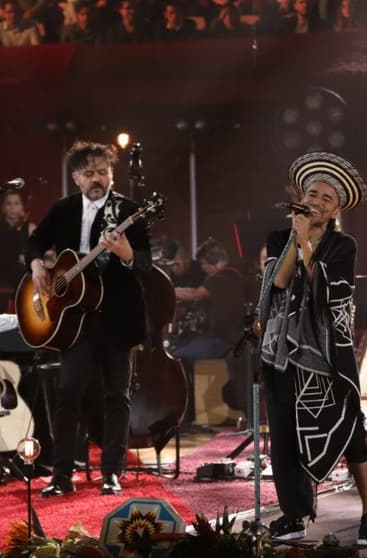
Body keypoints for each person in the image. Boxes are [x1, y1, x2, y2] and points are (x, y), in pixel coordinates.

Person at [256, 151, 367, 546]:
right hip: (282, 350)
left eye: (327, 198)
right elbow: (278, 283)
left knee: (350, 429)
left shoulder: (343, 245)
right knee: (284, 435)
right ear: (301, 197)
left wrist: (308, 247)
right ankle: (295, 514)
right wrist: (297, 238)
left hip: (327, 351)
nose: (318, 202)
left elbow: (327, 292)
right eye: (313, 194)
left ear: (336, 209)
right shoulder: (279, 237)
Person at [28, 140, 151, 497]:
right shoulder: (63, 209)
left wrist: (126, 253)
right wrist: (36, 263)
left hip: (117, 317)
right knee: (68, 393)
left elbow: (146, 263)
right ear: (76, 177)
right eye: (89, 173)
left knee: (117, 397)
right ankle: (61, 475)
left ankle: (112, 472)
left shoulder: (128, 210)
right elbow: (35, 241)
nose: (96, 179)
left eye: (103, 172)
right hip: (74, 321)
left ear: (111, 174)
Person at [173, 238, 247, 418]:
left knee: (177, 356)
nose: (203, 269)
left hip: (224, 341)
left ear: (214, 262)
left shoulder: (224, 276)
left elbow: (195, 294)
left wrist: (168, 289)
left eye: (204, 264)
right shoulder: (235, 275)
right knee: (184, 350)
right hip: (228, 339)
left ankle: (188, 413)